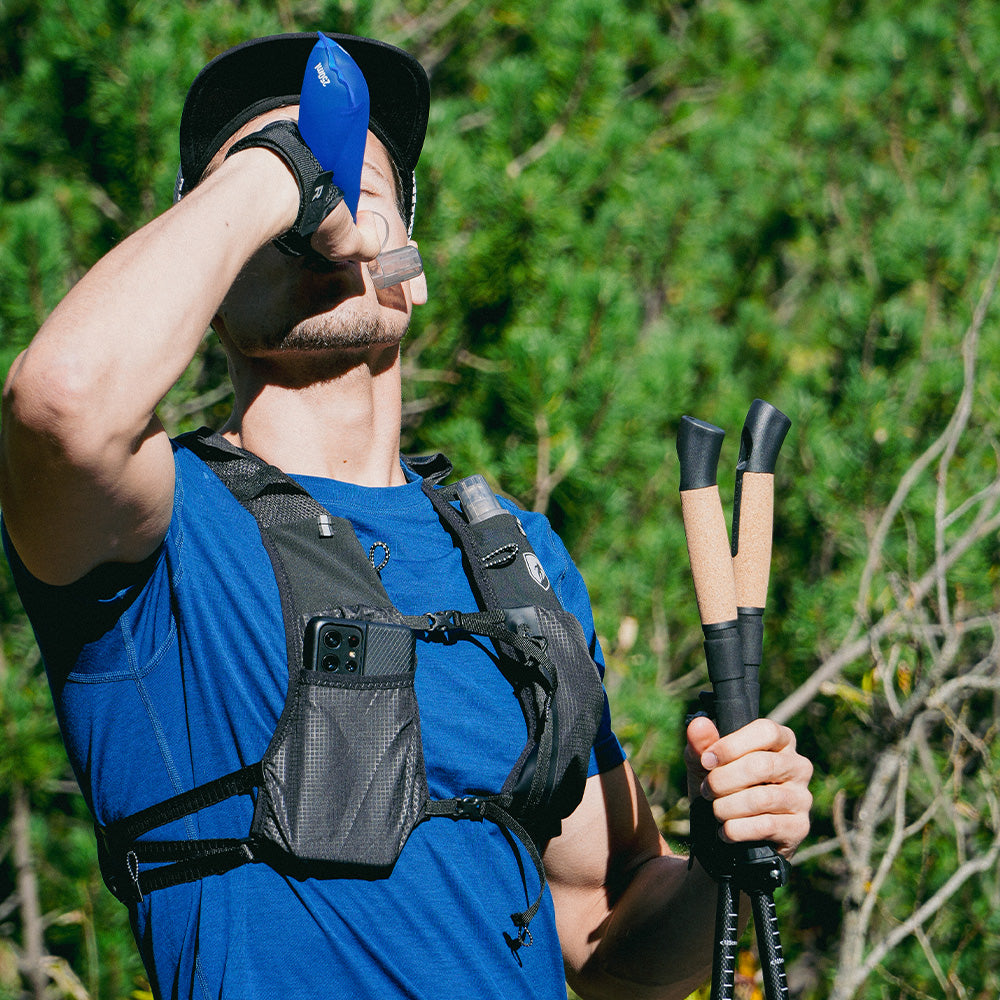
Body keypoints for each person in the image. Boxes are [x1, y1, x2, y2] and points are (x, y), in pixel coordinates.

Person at [0, 30, 812, 1000]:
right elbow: (59, 402)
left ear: (412, 273)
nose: (319, 198)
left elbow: (602, 936)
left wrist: (722, 862)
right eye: (291, 183)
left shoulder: (516, 557)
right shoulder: (158, 533)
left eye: (353, 183)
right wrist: (276, 174)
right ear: (210, 287)